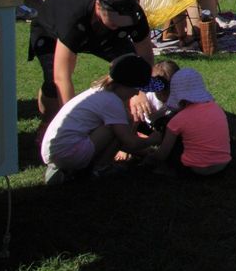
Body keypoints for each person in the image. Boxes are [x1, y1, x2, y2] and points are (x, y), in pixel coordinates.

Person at [28, 0, 153, 133]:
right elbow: (62, 77)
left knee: (128, 70)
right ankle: (49, 121)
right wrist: (75, 123)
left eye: (123, 22)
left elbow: (145, 57)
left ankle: (128, 126)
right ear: (98, 6)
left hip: (106, 36)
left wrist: (140, 90)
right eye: (114, 21)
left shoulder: (134, 14)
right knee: (52, 81)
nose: (119, 25)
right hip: (50, 31)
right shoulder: (74, 17)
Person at [40, 54, 163, 184]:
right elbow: (130, 142)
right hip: (68, 154)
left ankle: (66, 170)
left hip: (54, 152)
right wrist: (152, 140)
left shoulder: (99, 92)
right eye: (137, 88)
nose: (137, 93)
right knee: (116, 126)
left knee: (120, 121)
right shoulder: (112, 102)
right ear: (125, 85)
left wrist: (143, 151)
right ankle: (100, 168)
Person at [149, 68, 231, 177]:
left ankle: (168, 170)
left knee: (171, 137)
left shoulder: (178, 120)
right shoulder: (217, 109)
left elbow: (162, 154)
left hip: (195, 170)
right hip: (223, 164)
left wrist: (149, 158)